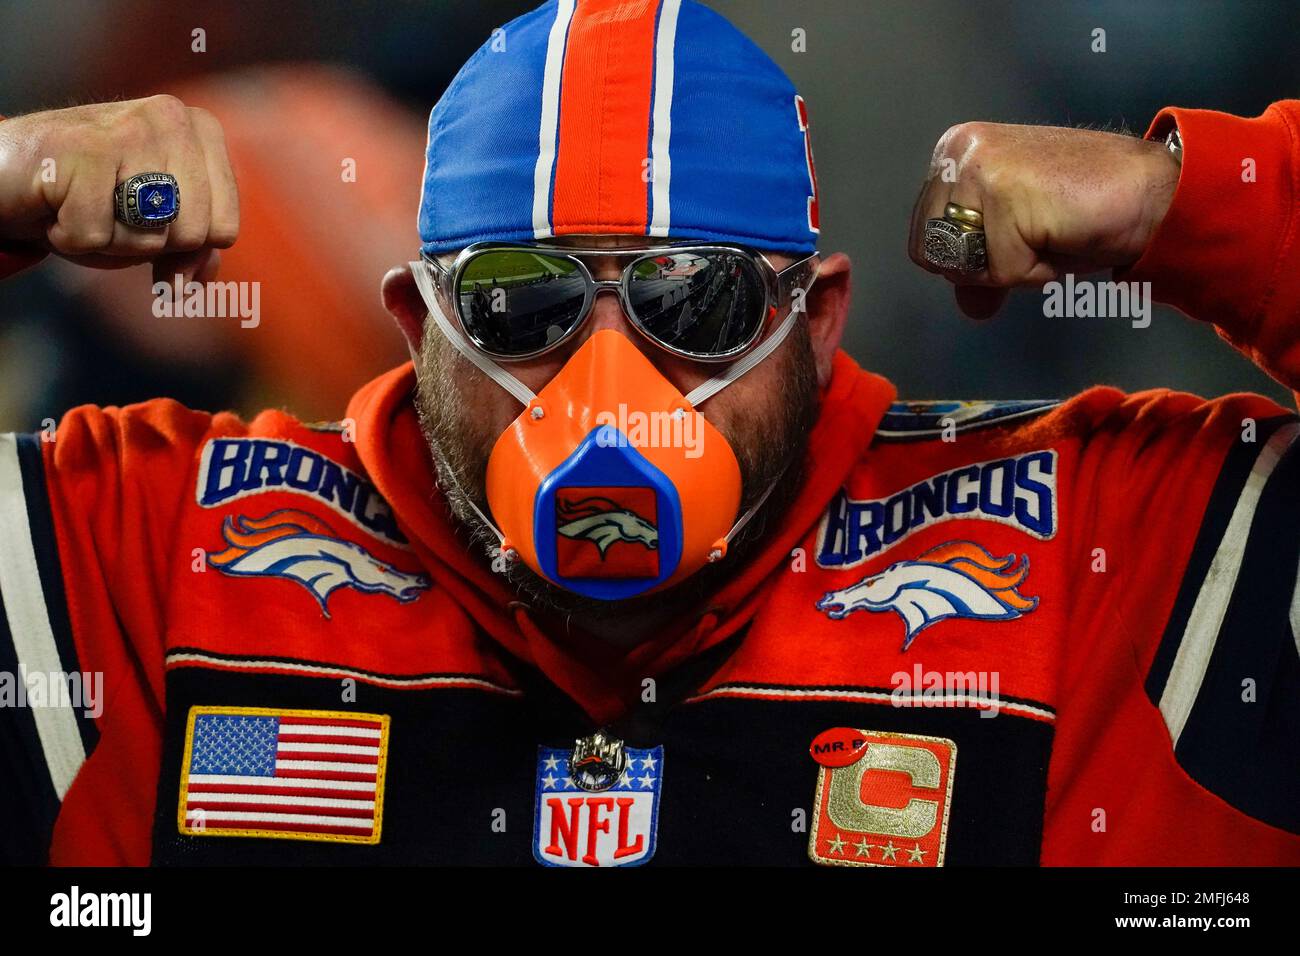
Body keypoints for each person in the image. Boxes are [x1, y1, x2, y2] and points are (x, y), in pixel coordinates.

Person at [0, 0, 1296, 867]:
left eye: (698, 297)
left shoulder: (1096, 556)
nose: (604, 384)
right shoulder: (163, 553)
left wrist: (1184, 203)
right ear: (416, 324)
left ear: (818, 319)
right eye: (521, 302)